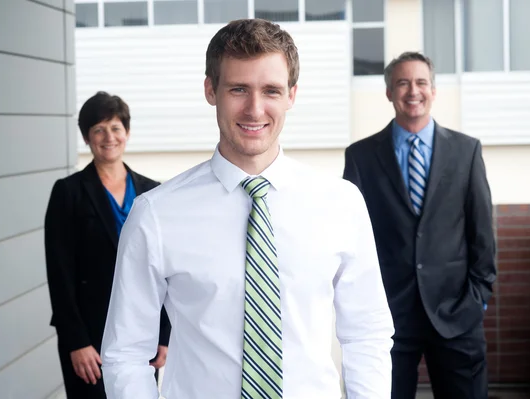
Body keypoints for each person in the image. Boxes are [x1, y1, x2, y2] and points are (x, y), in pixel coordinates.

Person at [100, 18, 394, 399]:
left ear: (292, 94)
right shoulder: (155, 214)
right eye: (238, 88)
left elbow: (367, 333)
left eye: (271, 90)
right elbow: (125, 352)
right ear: (211, 90)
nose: (255, 109)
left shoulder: (341, 203)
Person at [343, 52, 496, 399]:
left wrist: (477, 300)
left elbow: (482, 233)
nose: (413, 91)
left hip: (457, 314)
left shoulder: (466, 151)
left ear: (433, 90)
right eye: (402, 82)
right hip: (388, 318)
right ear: (388, 93)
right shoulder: (360, 157)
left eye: (421, 82)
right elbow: (351, 237)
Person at [44, 92, 171, 399]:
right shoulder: (68, 193)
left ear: (126, 132)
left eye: (115, 127)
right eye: (98, 129)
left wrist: (164, 335)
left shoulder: (151, 192)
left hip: (141, 332)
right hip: (89, 336)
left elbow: (166, 269)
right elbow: (59, 273)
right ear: (87, 137)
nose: (108, 137)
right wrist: (76, 341)